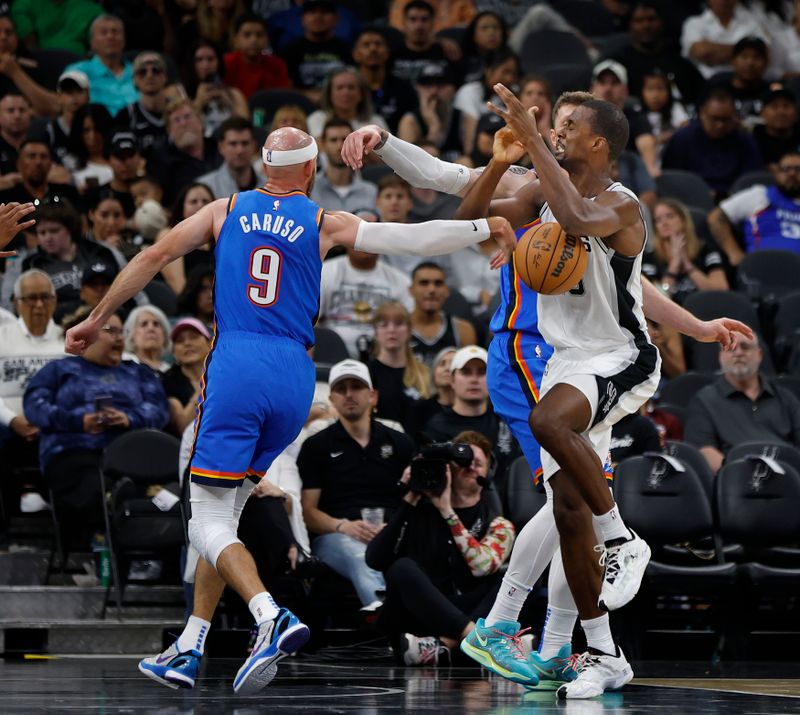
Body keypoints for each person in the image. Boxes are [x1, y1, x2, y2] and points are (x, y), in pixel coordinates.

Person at [62, 124, 515, 693]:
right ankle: (189, 644)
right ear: (309, 172)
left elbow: (154, 254)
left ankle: (267, 615)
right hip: (297, 378)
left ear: (261, 166)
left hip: (239, 361)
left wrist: (96, 317)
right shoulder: (324, 222)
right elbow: (410, 240)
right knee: (226, 515)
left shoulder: (225, 209)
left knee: (202, 517)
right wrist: (484, 225)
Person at [340, 94, 753, 698]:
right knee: (568, 505)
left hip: (614, 359)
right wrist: (394, 142)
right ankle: (595, 650)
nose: (553, 132)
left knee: (568, 482)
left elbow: (616, 266)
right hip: (559, 357)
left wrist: (696, 328)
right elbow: (463, 195)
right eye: (552, 124)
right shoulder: (538, 189)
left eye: (566, 126)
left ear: (597, 145)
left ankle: (564, 594)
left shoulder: (618, 202)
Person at [366, 430, 515, 666]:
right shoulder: (417, 511)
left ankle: (445, 646)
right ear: (448, 468)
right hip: (422, 611)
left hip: (467, 606)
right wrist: (409, 498)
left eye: (478, 464)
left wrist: (447, 510)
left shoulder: (499, 524)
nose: (470, 468)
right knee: (401, 568)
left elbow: (482, 567)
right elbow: (374, 559)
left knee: (509, 578)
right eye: (463, 462)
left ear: (489, 473)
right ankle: (475, 641)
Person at [25, 309, 169, 547]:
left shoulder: (139, 372)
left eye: (121, 332)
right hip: (75, 454)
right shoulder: (58, 371)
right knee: (96, 487)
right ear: (86, 337)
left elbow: (159, 409)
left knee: (149, 485)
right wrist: (78, 421)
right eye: (110, 331)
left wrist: (129, 418)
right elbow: (34, 406)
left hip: (131, 455)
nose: (119, 338)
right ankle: (103, 539)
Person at [299, 358, 412, 609]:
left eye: (356, 386)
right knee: (362, 556)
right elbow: (307, 511)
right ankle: (386, 623)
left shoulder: (400, 443)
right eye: (341, 388)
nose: (349, 394)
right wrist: (344, 526)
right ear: (332, 399)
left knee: (417, 555)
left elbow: (414, 500)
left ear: (373, 396)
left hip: (392, 532)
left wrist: (392, 528)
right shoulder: (316, 446)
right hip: (336, 535)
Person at [0, 270, 65, 523]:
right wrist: (12, 419)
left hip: (56, 429)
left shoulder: (67, 340)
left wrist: (50, 420)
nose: (39, 305)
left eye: (45, 298)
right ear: (16, 303)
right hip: (8, 428)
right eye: (30, 299)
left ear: (55, 301)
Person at [685, 332, 800, 473]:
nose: (738, 353)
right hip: (737, 484)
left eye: (745, 347)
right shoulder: (704, 400)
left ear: (759, 354)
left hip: (789, 478)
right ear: (720, 356)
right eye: (731, 348)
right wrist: (741, 476)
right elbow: (703, 450)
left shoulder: (785, 398)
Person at [423, 344, 520, 498]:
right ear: (452, 380)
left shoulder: (507, 422)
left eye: (482, 372)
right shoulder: (435, 427)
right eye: (466, 372)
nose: (474, 379)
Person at [661, 87, 763, 201]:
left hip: (735, 200)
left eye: (725, 120)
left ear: (735, 116)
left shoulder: (745, 141)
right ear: (702, 113)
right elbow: (672, 179)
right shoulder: (682, 139)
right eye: (714, 119)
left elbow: (752, 180)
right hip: (691, 200)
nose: (720, 125)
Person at [708, 151, 800, 266]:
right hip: (763, 267)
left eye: (798, 169)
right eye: (786, 169)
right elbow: (716, 217)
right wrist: (734, 253)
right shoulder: (759, 195)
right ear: (776, 173)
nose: (792, 174)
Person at [607, 0, 705, 104]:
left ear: (662, 23)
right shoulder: (616, 64)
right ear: (630, 26)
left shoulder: (680, 64)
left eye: (651, 19)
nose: (646, 26)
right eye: (639, 21)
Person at [644, 198, 728, 304]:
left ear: (683, 220)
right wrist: (674, 266)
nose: (664, 223)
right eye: (658, 220)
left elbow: (721, 290)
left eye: (670, 216)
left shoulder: (705, 250)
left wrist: (687, 265)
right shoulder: (650, 258)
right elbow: (653, 302)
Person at [367, 301, 431, 434]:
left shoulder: (424, 373)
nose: (391, 330)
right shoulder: (366, 372)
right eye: (383, 324)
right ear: (375, 332)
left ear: (409, 330)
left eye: (399, 323)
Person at [146, 99, 221, 206]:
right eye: (176, 120)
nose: (183, 123)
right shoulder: (161, 163)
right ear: (169, 130)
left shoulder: (220, 148)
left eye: (187, 116)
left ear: (200, 121)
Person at [63, 14, 138, 117]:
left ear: (124, 40)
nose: (110, 36)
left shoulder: (140, 72)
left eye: (115, 32)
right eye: (104, 32)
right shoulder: (77, 72)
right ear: (92, 42)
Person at [281, 0, 351, 104]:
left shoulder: (348, 49)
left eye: (324, 12)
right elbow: (285, 86)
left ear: (336, 19)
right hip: (300, 104)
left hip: (340, 103)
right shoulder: (289, 51)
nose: (318, 17)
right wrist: (307, 95)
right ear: (303, 19)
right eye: (312, 12)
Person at [408, 261, 476, 367]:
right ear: (411, 290)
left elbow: (470, 374)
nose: (432, 289)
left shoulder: (463, 330)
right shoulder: (396, 330)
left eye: (438, 283)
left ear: (447, 291)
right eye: (424, 283)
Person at [352, 29, 418, 136]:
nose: (373, 49)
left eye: (378, 44)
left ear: (387, 53)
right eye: (366, 45)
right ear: (356, 55)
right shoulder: (350, 88)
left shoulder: (403, 87)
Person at [155, 183, 216, 295]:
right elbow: (178, 285)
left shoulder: (221, 238)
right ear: (182, 209)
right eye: (193, 201)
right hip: (187, 305)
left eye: (205, 201)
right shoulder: (168, 234)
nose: (200, 205)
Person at [681, 0, 766, 79]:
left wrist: (712, 50)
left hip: (746, 83)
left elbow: (765, 53)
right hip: (705, 84)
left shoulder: (752, 23)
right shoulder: (694, 23)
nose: (724, 1)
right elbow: (701, 52)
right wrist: (745, 50)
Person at [186, 38, 250, 140]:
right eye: (199, 60)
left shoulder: (234, 94)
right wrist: (198, 102)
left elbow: (246, 127)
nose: (205, 65)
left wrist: (228, 101)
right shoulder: (183, 94)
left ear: (219, 62)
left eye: (210, 59)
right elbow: (184, 129)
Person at [309, 119, 378, 213]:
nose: (340, 146)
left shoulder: (371, 191)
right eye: (333, 140)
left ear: (355, 143)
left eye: (345, 140)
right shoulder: (310, 189)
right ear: (323, 144)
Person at [161, 317, 212, 435]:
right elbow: (183, 427)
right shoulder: (167, 382)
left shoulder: (225, 375)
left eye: (193, 337)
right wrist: (203, 388)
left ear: (210, 343)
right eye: (179, 340)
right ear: (173, 352)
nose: (187, 343)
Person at [307, 66, 389, 139]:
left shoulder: (376, 122)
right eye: (340, 88)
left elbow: (388, 152)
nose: (345, 92)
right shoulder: (317, 119)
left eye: (351, 87)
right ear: (329, 94)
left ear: (361, 94)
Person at [223, 13, 290, 99]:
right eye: (247, 35)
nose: (254, 40)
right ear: (235, 41)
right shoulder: (226, 64)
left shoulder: (277, 65)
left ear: (267, 40)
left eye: (259, 35)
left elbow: (282, 96)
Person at [197, 117, 266, 198]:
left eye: (245, 143)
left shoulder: (268, 187)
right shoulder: (203, 189)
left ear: (254, 146)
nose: (240, 150)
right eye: (233, 144)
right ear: (221, 147)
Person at [707, 35, 770, 124]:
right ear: (733, 60)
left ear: (766, 63)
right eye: (744, 56)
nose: (750, 63)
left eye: (757, 57)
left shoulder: (771, 93)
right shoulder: (716, 88)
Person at [117, 52, 169, 157]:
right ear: (134, 80)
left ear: (165, 77)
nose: (149, 75)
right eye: (142, 72)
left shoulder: (179, 111)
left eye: (156, 70)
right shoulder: (125, 116)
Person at [752, 86, 800, 171]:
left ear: (796, 113)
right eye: (774, 106)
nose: (781, 112)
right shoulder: (753, 139)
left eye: (786, 106)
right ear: (763, 113)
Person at [122, 304, 171, 373]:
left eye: (156, 324)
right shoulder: (123, 363)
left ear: (164, 335)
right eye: (144, 324)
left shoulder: (171, 372)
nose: (151, 328)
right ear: (131, 335)